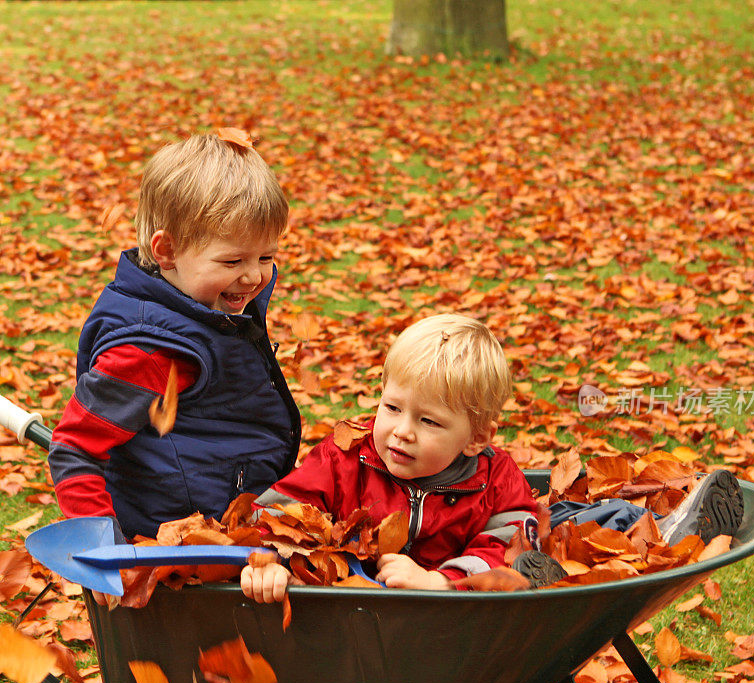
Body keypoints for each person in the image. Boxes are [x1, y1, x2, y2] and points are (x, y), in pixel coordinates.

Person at [48, 132, 301, 541]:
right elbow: (76, 448)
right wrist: (105, 546)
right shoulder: (150, 350)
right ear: (166, 252)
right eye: (233, 260)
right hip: (178, 542)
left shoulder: (208, 309)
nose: (254, 275)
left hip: (227, 521)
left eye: (266, 257)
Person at [241, 313, 549, 603]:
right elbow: (281, 511)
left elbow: (513, 546)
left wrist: (444, 582)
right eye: (392, 408)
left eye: (428, 421)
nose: (402, 431)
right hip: (348, 610)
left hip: (449, 623)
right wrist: (268, 558)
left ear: (476, 438)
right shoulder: (344, 458)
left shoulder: (497, 479)